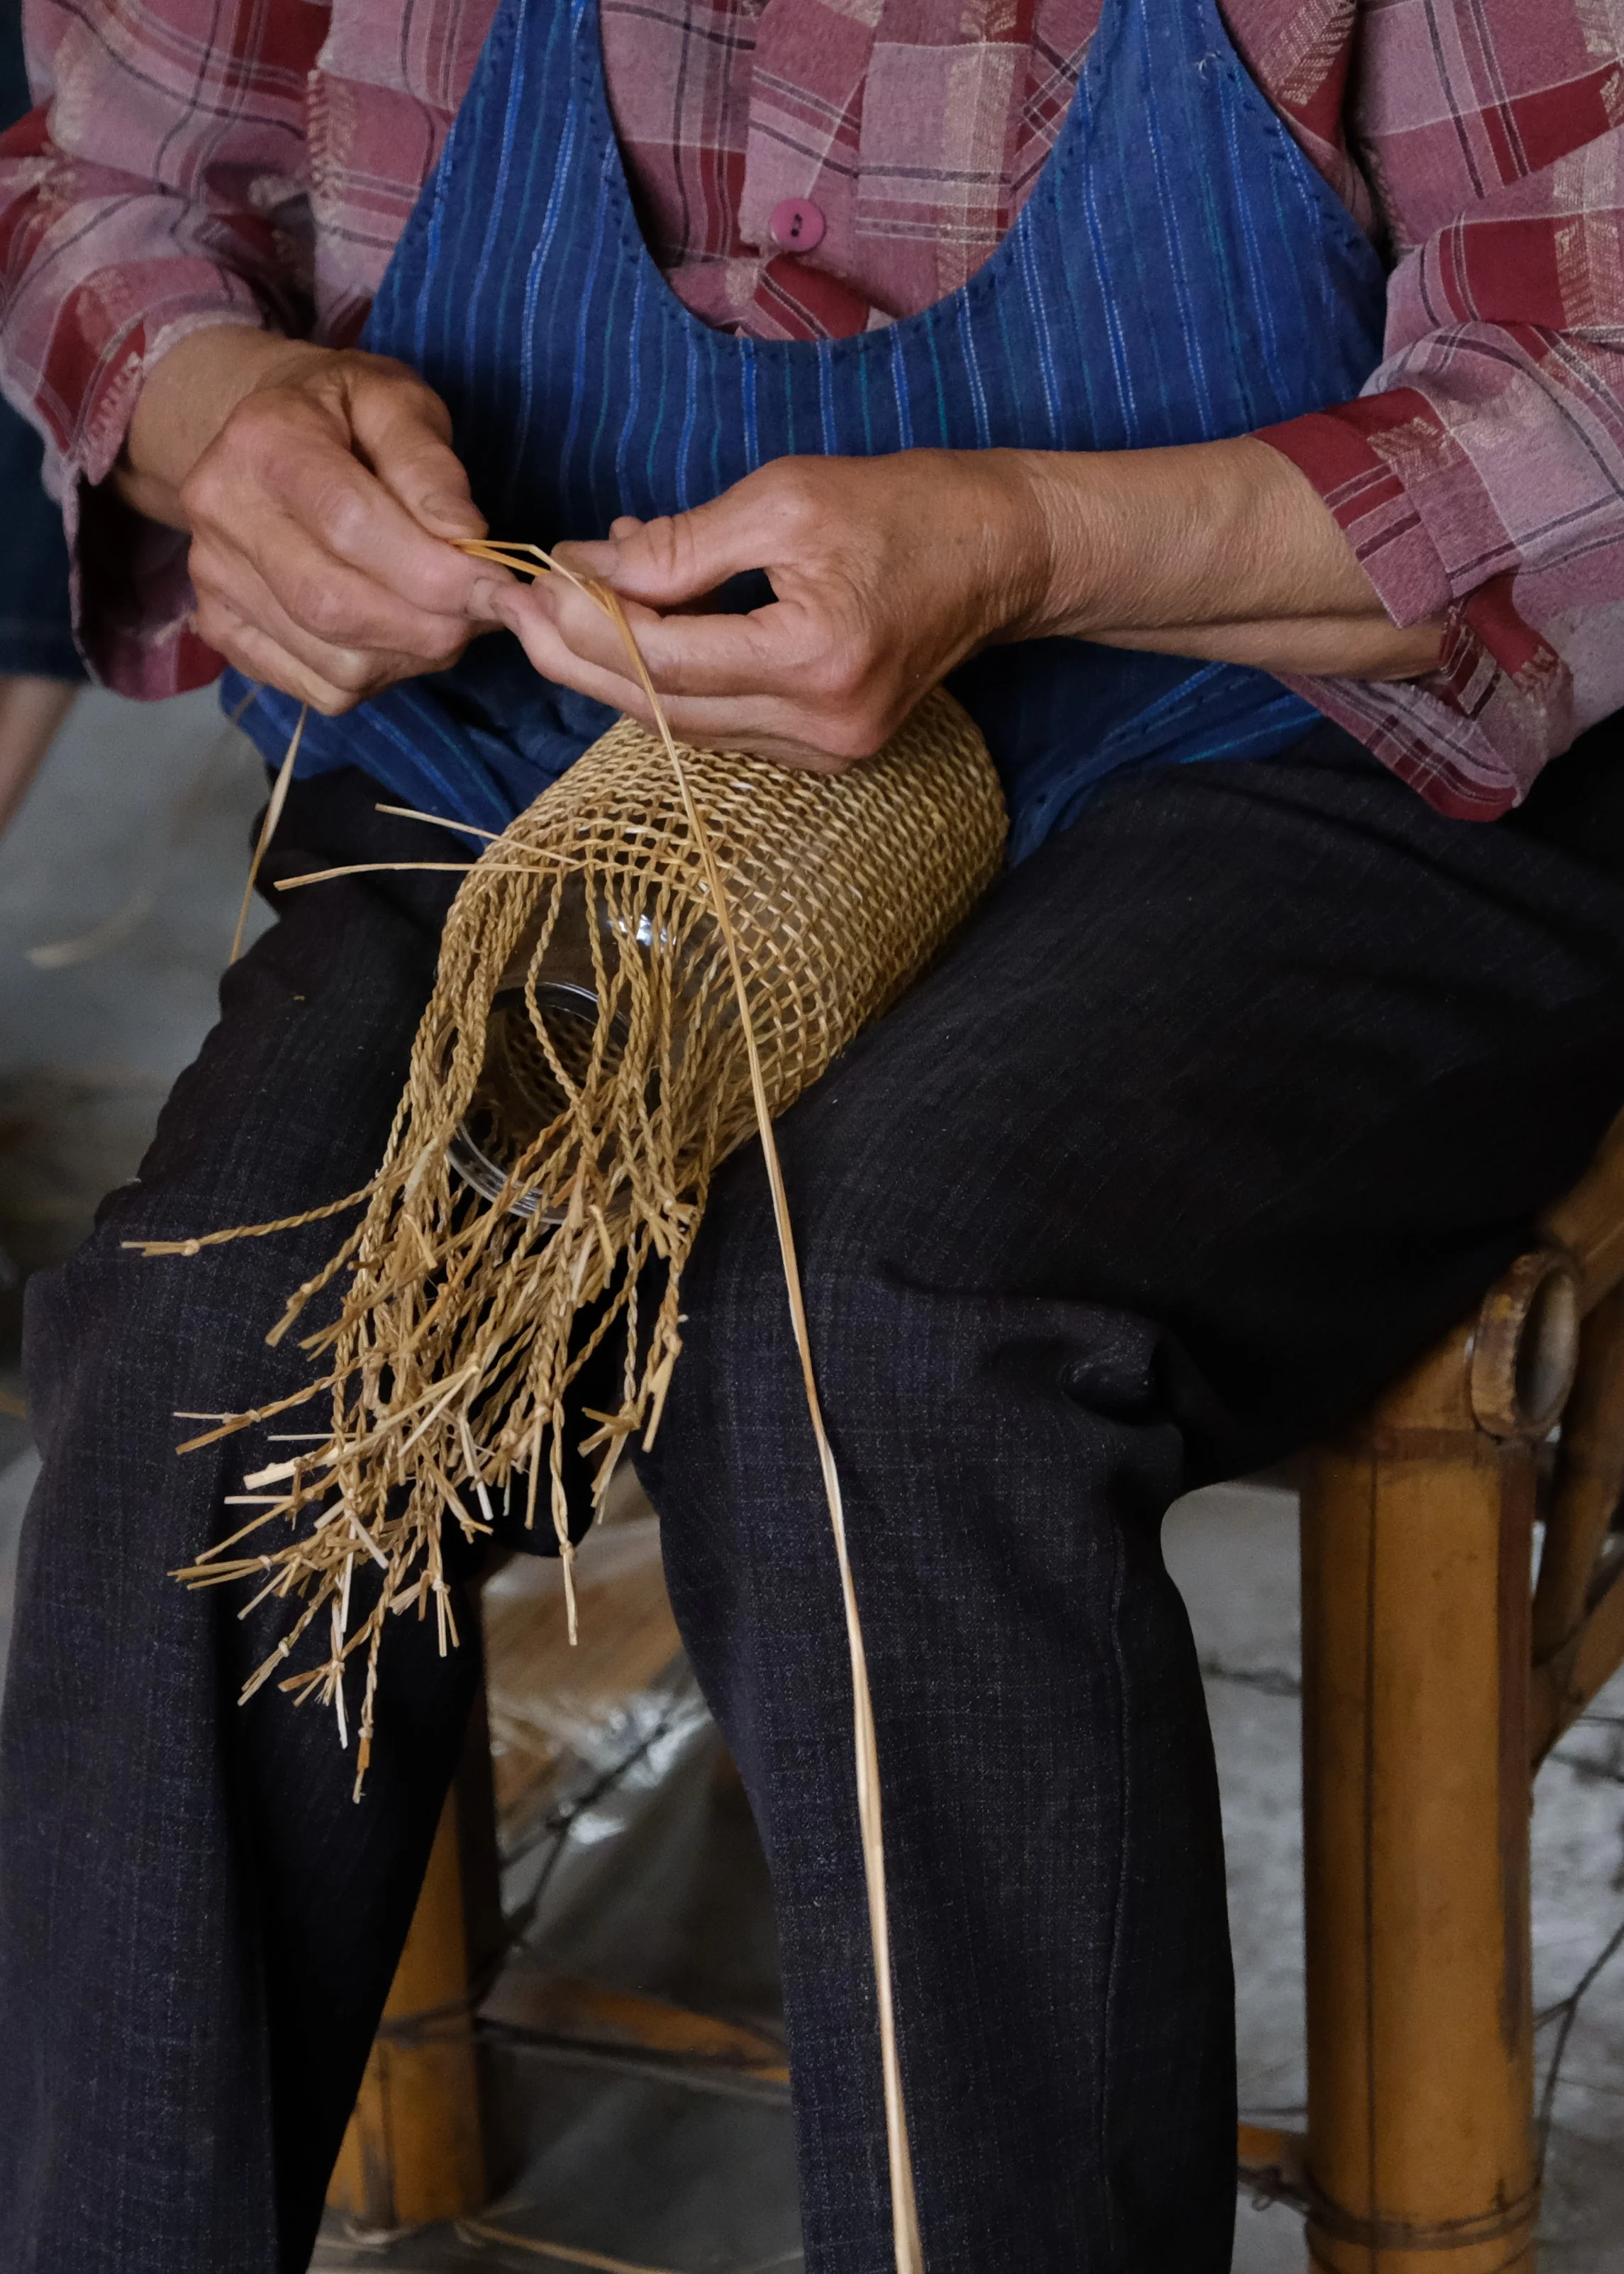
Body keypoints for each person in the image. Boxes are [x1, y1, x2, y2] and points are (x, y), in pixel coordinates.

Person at [1, 1, 1623, 2268]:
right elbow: (104, 201)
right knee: (215, 1360)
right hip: (565, 743)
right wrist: (220, 418)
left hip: (1281, 728)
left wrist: (1025, 539)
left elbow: (1591, 398)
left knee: (880, 1347)